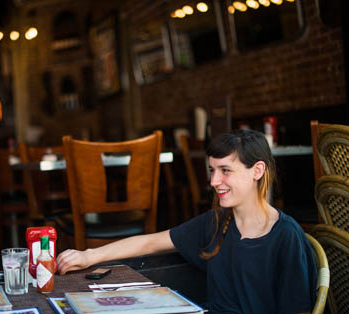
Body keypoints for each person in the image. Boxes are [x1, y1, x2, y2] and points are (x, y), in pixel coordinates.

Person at [56, 129, 317, 314]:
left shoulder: (286, 236)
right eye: (212, 171)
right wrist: (89, 256)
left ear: (257, 171)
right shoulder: (216, 223)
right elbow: (150, 243)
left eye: (226, 171)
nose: (214, 182)